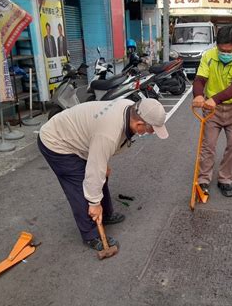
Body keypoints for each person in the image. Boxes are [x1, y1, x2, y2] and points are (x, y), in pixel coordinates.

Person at [38, 98, 169, 251]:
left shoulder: (129, 108)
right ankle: (91, 234)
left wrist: (103, 163)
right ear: (138, 124)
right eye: (150, 130)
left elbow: (99, 152)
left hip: (81, 138)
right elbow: (94, 169)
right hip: (57, 142)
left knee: (102, 174)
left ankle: (106, 214)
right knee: (81, 186)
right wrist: (94, 203)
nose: (149, 133)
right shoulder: (109, 134)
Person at [192, 25, 232, 198]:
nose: (224, 53)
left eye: (229, 50)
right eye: (221, 49)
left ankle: (225, 180)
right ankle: (203, 180)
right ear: (216, 45)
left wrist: (215, 99)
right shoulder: (209, 56)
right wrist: (198, 95)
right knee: (208, 145)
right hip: (212, 111)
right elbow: (200, 79)